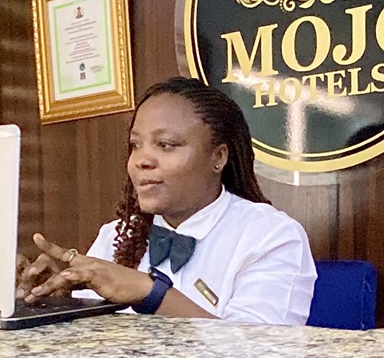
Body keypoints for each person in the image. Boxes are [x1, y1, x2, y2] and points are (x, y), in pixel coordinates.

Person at [16, 76, 316, 324]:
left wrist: (151, 293)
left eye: (166, 144)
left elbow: (261, 349)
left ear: (218, 157)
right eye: (135, 145)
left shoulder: (270, 236)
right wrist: (59, 303)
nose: (141, 160)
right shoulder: (116, 235)